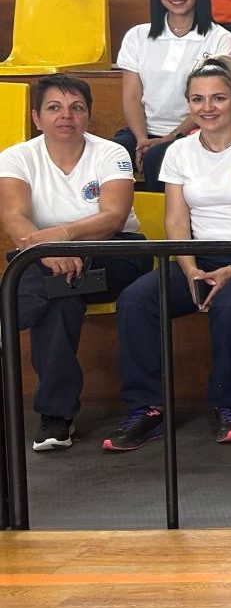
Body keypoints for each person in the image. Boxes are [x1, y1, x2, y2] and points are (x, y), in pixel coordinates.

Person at [109, 57, 231, 452]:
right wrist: (190, 268)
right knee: (137, 299)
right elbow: (176, 219)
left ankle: (228, 404)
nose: (207, 107)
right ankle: (147, 409)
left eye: (218, 98)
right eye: (197, 99)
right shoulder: (178, 151)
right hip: (198, 256)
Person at [0, 75, 149, 453]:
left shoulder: (110, 152)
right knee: (60, 298)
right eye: (54, 108)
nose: (66, 115)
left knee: (37, 280)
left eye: (76, 108)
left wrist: (59, 238)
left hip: (115, 254)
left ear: (88, 115)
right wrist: (48, 252)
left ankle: (9, 317)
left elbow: (113, 217)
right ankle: (56, 417)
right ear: (37, 117)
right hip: (47, 262)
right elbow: (14, 218)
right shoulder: (16, 157)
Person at [115, 0, 231, 184]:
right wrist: (141, 139)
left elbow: (213, 100)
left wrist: (170, 137)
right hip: (144, 131)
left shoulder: (220, 38)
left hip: (198, 130)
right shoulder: (136, 36)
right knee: (112, 155)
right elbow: (132, 96)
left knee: (157, 158)